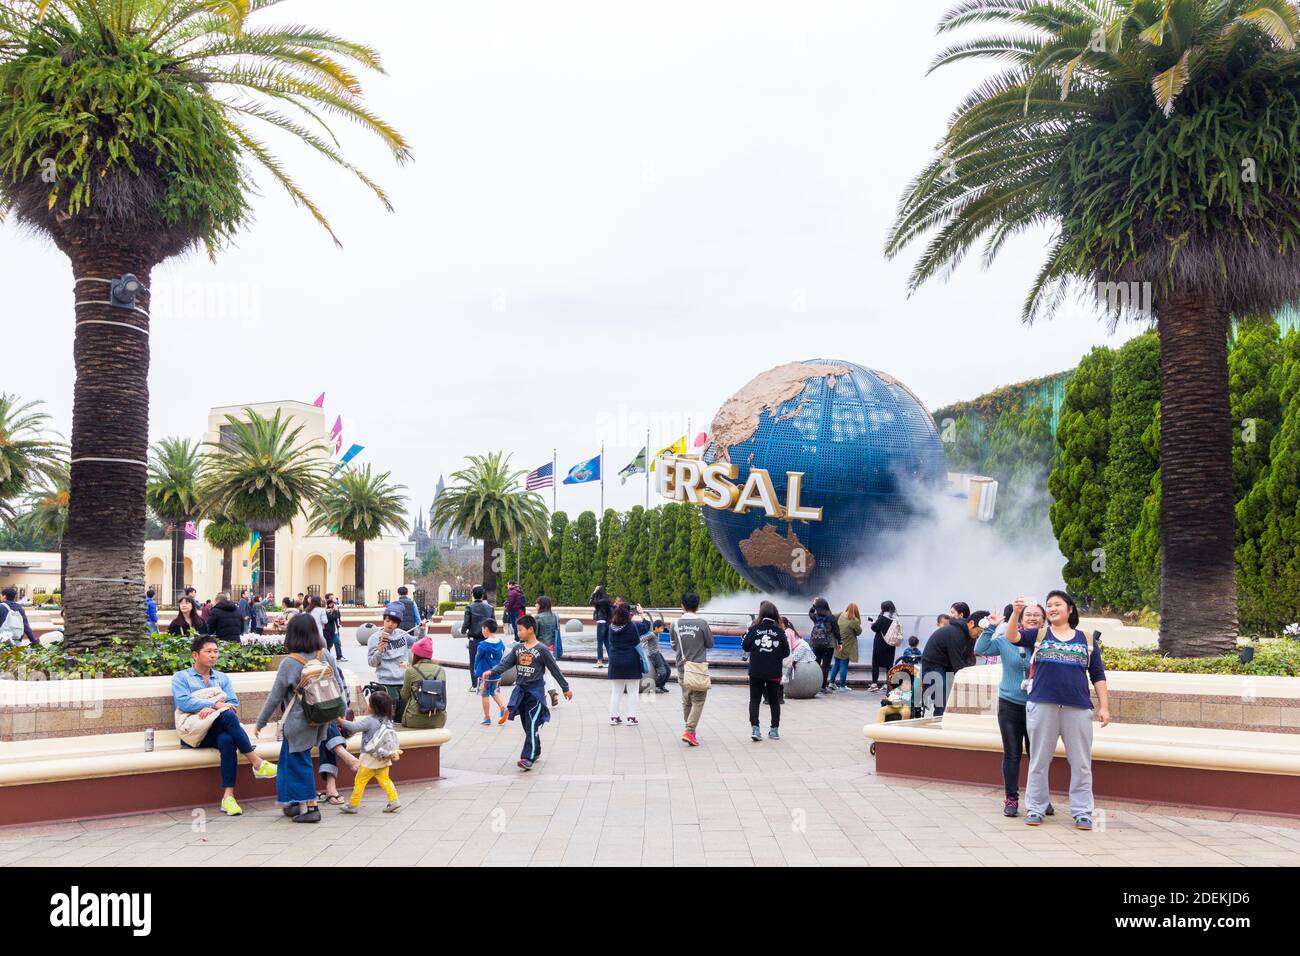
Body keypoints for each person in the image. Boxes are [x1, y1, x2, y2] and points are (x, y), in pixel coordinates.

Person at [1014, 590, 1109, 830]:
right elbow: (1012, 637)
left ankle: (1083, 812)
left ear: (1070, 609)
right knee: (1038, 760)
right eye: (1049, 605)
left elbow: (1097, 674)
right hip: (1042, 704)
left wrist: (1105, 707)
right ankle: (1035, 808)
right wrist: (1016, 613)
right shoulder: (1039, 634)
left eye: (1057, 604)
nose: (1053, 608)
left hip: (1077, 708)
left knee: (1080, 763)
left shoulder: (1086, 640)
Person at [253, 614, 347, 823]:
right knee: (287, 761)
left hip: (298, 723)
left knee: (300, 763)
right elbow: (339, 688)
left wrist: (260, 722)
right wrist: (340, 713)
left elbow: (274, 697)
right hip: (321, 719)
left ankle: (311, 808)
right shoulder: (325, 656)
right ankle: (292, 803)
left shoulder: (290, 663)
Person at [172, 634, 279, 816]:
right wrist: (213, 704)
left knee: (228, 740)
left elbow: (233, 703)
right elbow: (183, 703)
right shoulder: (182, 678)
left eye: (215, 651)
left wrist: (213, 710)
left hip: (216, 729)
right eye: (208, 651)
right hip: (195, 733)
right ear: (195, 655)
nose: (213, 655)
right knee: (228, 717)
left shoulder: (221, 678)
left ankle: (228, 797)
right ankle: (257, 763)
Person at [488, 614, 572, 771]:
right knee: (528, 726)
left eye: (520, 630)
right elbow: (505, 663)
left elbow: (554, 669)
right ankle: (536, 749)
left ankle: (528, 757)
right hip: (521, 692)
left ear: (531, 630)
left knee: (532, 723)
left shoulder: (542, 650)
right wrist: (492, 672)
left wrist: (565, 688)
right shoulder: (518, 649)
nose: (518, 633)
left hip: (536, 694)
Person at [976, 602, 1037, 817]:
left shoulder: (1045, 642)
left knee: (1037, 754)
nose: (1032, 618)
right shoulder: (1005, 641)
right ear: (1019, 619)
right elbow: (981, 649)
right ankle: (1011, 798)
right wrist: (991, 627)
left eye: (1036, 615)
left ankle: (1038, 799)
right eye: (1027, 615)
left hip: (1038, 705)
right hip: (1010, 704)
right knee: (1012, 754)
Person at [338, 689, 402, 814]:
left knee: (360, 781)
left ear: (374, 707)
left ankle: (353, 805)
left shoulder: (370, 720)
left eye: (370, 703)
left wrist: (341, 721)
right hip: (383, 757)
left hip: (369, 759)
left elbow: (354, 727)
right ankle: (394, 800)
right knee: (385, 780)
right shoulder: (388, 720)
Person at [919, 604, 980, 717]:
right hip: (933, 666)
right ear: (971, 624)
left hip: (946, 666)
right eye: (979, 631)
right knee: (943, 700)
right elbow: (957, 663)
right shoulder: (955, 633)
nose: (978, 634)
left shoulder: (969, 635)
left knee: (954, 698)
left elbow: (969, 658)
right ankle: (940, 723)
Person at [743, 600, 789, 741]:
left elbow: (745, 646)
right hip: (773, 671)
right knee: (774, 700)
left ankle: (755, 729)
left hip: (756, 670)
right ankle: (774, 730)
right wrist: (774, 655)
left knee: (755, 700)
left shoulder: (754, 629)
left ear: (761, 613)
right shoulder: (780, 631)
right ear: (775, 614)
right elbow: (786, 652)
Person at [671, 591, 713, 746]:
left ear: (682, 606)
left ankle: (690, 731)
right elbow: (710, 644)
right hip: (699, 668)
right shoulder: (702, 624)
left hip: (682, 667)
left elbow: (673, 645)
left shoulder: (674, 624)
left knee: (687, 700)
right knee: (699, 699)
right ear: (697, 607)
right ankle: (689, 731)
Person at [367, 604, 413, 721]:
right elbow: (372, 663)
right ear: (384, 620)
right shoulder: (374, 638)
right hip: (386, 681)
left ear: (398, 624)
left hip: (403, 680)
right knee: (387, 716)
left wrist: (422, 628)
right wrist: (380, 651)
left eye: (394, 622)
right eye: (387, 621)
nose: (390, 624)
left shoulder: (401, 634)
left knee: (402, 716)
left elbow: (417, 642)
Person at [606, 603, 644, 726]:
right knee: (633, 692)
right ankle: (631, 718)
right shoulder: (631, 626)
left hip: (615, 662)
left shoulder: (611, 627)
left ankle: (614, 717)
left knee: (616, 691)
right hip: (631, 662)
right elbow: (643, 631)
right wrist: (642, 613)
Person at [400, 636, 448, 730]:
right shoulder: (441, 670)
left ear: (416, 655)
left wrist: (406, 672)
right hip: (439, 719)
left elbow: (404, 696)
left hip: (414, 719)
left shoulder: (411, 671)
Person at [459, 585, 495, 690]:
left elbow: (466, 623)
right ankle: (487, 683)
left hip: (474, 640)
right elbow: (493, 623)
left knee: (474, 662)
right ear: (483, 595)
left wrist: (463, 631)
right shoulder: (490, 608)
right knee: (487, 661)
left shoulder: (469, 607)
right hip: (487, 639)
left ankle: (475, 685)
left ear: (473, 595)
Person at [474, 619, 508, 725]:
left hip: (484, 674)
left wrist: (475, 669)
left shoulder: (482, 645)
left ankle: (487, 717)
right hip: (496, 673)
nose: (482, 631)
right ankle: (503, 708)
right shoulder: (500, 643)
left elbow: (477, 658)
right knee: (495, 692)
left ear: (486, 629)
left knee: (485, 695)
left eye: (482, 629)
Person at [807, 597, 841, 695]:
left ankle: (814, 684)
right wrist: (840, 642)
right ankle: (823, 687)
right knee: (825, 666)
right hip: (828, 645)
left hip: (816, 644)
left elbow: (810, 613)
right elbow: (836, 631)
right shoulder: (831, 618)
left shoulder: (815, 617)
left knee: (816, 664)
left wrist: (814, 605)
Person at [869, 600, 900, 690]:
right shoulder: (896, 618)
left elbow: (874, 628)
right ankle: (888, 684)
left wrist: (872, 623)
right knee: (889, 665)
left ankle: (874, 684)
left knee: (875, 663)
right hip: (890, 644)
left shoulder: (882, 618)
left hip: (880, 643)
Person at [831, 602, 862, 691]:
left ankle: (831, 683)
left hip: (838, 643)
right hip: (847, 646)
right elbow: (859, 632)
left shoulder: (841, 614)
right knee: (844, 664)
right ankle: (842, 686)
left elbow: (832, 616)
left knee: (836, 663)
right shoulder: (854, 620)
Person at [644, 618, 670, 693]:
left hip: (658, 653)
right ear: (656, 628)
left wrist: (647, 642)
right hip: (654, 655)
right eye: (661, 628)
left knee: (668, 670)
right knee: (662, 672)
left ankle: (662, 686)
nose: (662, 630)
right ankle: (656, 686)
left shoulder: (656, 634)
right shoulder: (652, 634)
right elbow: (642, 639)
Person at [590, 585, 613, 667]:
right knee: (607, 642)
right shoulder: (606, 599)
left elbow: (591, 602)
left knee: (600, 642)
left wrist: (594, 592)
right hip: (607, 623)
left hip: (601, 622)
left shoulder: (602, 600)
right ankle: (611, 660)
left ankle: (599, 661)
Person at [323, 596, 345, 661]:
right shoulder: (326, 611)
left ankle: (339, 656)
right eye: (330, 604)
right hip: (329, 631)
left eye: (332, 604)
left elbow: (337, 617)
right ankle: (327, 658)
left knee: (337, 642)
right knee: (328, 646)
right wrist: (335, 611)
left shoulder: (334, 610)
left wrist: (339, 624)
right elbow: (333, 617)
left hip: (335, 630)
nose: (332, 605)